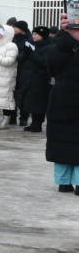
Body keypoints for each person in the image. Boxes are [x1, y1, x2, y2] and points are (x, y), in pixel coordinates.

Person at [47, 12, 79, 193]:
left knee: (61, 138)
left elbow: (51, 71)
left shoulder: (54, 49)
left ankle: (63, 182)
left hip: (61, 95)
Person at [21, 26, 53, 133]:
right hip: (30, 78)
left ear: (42, 36)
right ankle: (33, 122)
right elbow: (22, 59)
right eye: (33, 34)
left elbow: (44, 62)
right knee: (31, 101)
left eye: (36, 34)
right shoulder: (33, 45)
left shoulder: (48, 47)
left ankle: (37, 123)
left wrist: (32, 52)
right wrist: (25, 52)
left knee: (39, 102)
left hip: (40, 78)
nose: (33, 36)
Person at [11, 20, 32, 125]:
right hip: (13, 69)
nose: (14, 29)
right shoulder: (13, 38)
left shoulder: (29, 40)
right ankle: (12, 117)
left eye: (16, 27)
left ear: (22, 29)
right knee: (12, 93)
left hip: (24, 70)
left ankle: (24, 118)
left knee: (23, 95)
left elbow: (26, 55)